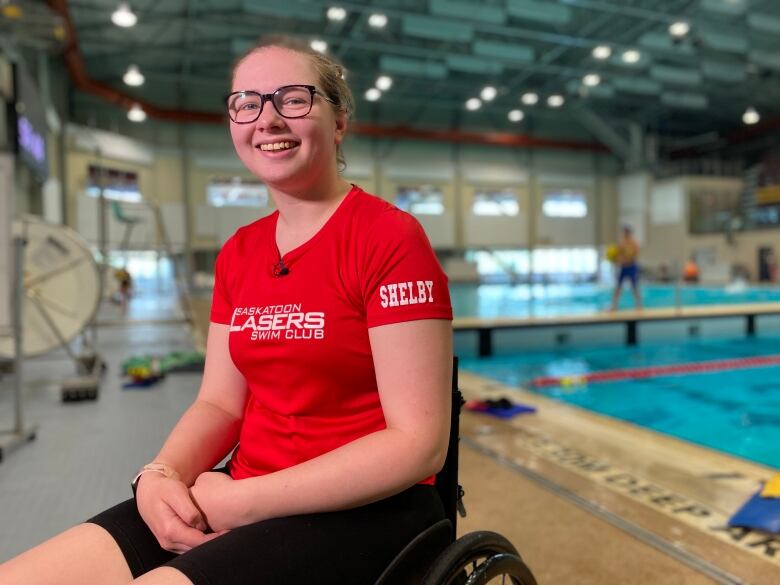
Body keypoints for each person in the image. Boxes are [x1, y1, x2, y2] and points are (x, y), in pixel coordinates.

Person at [0, 36, 453, 585]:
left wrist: (246, 501)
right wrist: (161, 474)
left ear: (338, 122)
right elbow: (219, 403)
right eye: (247, 102)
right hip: (239, 485)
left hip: (366, 509)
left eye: (294, 99)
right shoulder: (240, 252)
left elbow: (419, 443)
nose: (268, 119)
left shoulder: (388, 237)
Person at [609, 225, 641, 311]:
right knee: (618, 287)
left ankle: (639, 306)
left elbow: (634, 255)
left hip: (632, 267)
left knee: (634, 287)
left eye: (627, 232)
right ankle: (614, 306)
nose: (625, 234)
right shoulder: (621, 243)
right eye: (624, 232)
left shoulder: (634, 243)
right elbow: (618, 256)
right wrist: (616, 259)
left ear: (629, 233)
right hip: (623, 268)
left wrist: (625, 257)